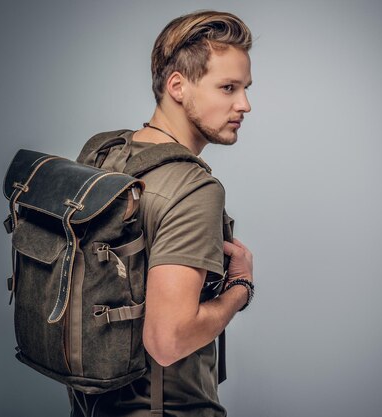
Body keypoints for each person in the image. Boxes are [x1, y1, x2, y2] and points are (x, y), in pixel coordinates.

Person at [70, 10, 255, 417]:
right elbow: (168, 341)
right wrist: (240, 288)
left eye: (245, 88)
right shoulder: (195, 189)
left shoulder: (101, 153)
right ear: (177, 86)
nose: (245, 104)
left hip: (91, 406)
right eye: (228, 88)